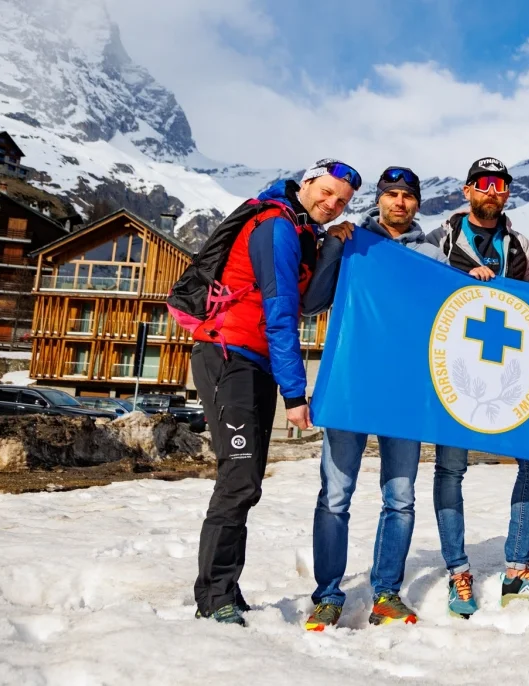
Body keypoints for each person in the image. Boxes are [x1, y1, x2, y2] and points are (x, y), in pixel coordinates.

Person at [192, 159, 359, 626]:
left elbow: (308, 303)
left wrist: (329, 249)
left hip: (255, 361)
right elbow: (283, 312)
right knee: (238, 480)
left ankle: (222, 586)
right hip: (230, 356)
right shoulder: (276, 227)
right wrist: (295, 393)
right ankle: (214, 596)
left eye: (341, 201)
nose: (332, 204)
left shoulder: (302, 232)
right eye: (326, 192)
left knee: (247, 481)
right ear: (306, 183)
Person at [298, 167, 448, 630]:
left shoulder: (431, 253)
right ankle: (327, 595)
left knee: (400, 497)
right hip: (352, 382)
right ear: (379, 200)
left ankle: (386, 592)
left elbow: (445, 315)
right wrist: (335, 248)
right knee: (336, 495)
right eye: (391, 195)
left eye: (407, 195)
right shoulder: (352, 240)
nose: (399, 202)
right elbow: (313, 302)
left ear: (417, 203)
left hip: (405, 390)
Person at [425, 157, 529, 617]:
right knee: (450, 470)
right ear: (467, 190)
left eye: (501, 185)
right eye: (484, 183)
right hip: (456, 374)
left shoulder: (520, 245)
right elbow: (419, 286)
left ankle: (517, 568)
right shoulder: (441, 237)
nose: (493, 191)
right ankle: (458, 571)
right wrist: (458, 281)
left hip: (509, 373)